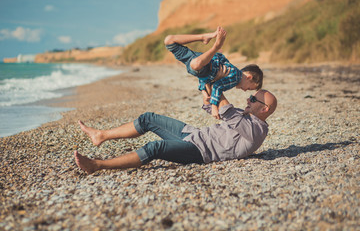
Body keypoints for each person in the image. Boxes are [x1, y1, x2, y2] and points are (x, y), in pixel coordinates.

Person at [74, 89, 277, 175]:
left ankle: (96, 165)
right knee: (148, 118)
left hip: (200, 152)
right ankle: (100, 135)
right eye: (250, 97)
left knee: (155, 147)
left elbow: (226, 111)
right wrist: (207, 94)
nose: (248, 100)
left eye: (253, 99)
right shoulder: (246, 116)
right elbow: (215, 111)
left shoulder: (257, 130)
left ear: (264, 109)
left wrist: (217, 83)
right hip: (193, 135)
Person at [164, 26, 263, 119]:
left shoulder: (234, 73)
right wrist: (214, 106)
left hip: (202, 61)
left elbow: (207, 80)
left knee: (169, 40)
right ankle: (216, 46)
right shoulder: (235, 78)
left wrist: (203, 91)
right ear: (249, 77)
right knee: (195, 64)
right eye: (249, 88)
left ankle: (203, 37)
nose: (245, 90)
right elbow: (217, 86)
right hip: (204, 66)